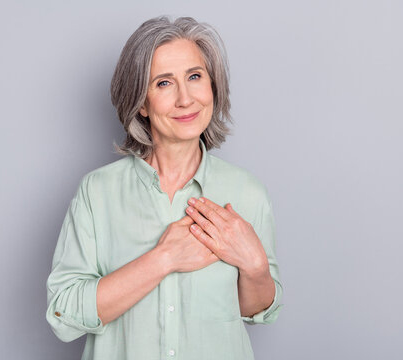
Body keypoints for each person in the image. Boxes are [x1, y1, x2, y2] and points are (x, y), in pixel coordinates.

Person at [46, 16, 283, 360]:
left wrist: (256, 267)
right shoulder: (97, 193)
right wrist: (164, 258)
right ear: (141, 102)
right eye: (163, 83)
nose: (185, 99)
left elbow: (258, 311)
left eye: (195, 77)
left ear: (213, 87)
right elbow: (63, 316)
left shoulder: (247, 193)